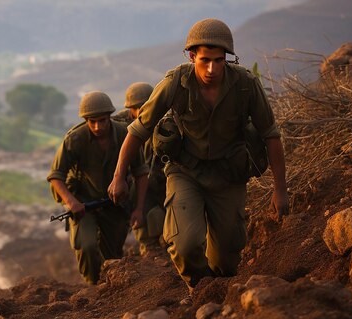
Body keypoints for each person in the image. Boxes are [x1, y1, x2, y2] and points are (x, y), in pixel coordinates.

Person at [107, 18, 289, 301]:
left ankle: (220, 290)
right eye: (205, 60)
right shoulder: (174, 83)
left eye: (219, 61)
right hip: (185, 171)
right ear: (192, 56)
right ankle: (199, 290)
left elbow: (271, 135)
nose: (212, 69)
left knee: (228, 258)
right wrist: (119, 176)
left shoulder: (245, 84)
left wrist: (280, 189)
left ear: (227, 58)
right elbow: (137, 131)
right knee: (186, 244)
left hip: (229, 174)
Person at [48, 91, 149, 285]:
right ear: (85, 119)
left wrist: (138, 209)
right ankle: (93, 286)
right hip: (83, 205)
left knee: (113, 256)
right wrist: (71, 202)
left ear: (110, 116)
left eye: (102, 120)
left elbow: (141, 172)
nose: (97, 126)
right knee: (86, 246)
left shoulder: (124, 134)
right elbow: (56, 176)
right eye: (91, 121)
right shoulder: (74, 140)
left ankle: (111, 290)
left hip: (115, 204)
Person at [113, 82, 166, 257]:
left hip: (161, 175)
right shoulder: (118, 125)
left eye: (145, 106)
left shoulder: (163, 119)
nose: (142, 111)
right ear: (130, 109)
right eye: (137, 108)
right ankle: (148, 245)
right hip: (132, 178)